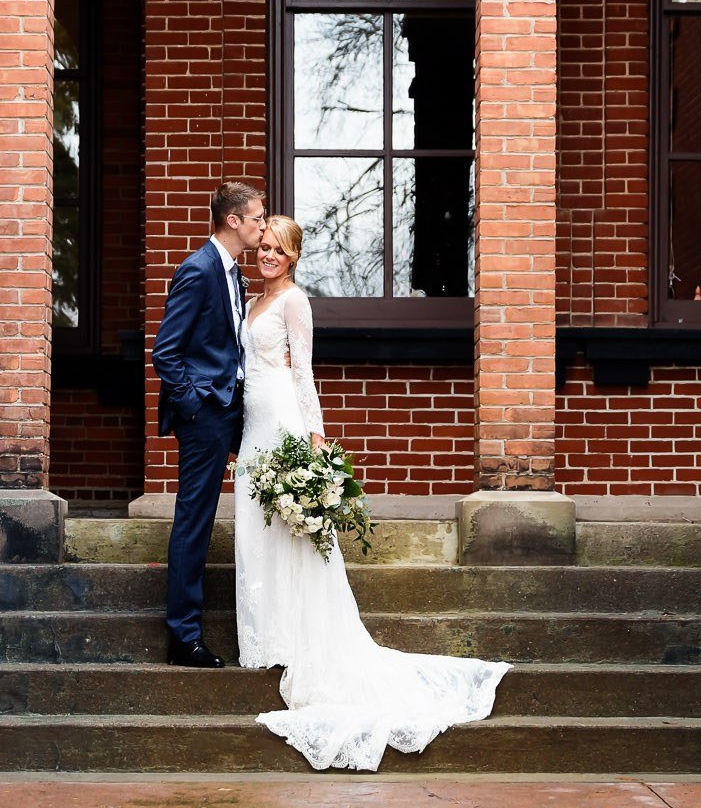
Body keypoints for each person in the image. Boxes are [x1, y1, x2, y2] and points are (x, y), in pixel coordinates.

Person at [234, 214, 508, 770]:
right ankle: (266, 637)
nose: (267, 255)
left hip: (284, 421)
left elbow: (304, 373)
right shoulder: (250, 300)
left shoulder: (295, 303)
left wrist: (315, 444)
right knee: (258, 529)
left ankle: (297, 640)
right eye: (263, 246)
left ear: (292, 257)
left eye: (278, 250)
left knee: (295, 530)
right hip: (252, 426)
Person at [151, 180, 266, 668]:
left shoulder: (233, 272)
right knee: (194, 521)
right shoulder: (198, 270)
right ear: (233, 221)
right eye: (258, 217)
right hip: (206, 417)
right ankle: (183, 637)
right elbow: (165, 352)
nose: (264, 224)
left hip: (233, 411)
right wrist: (196, 407)